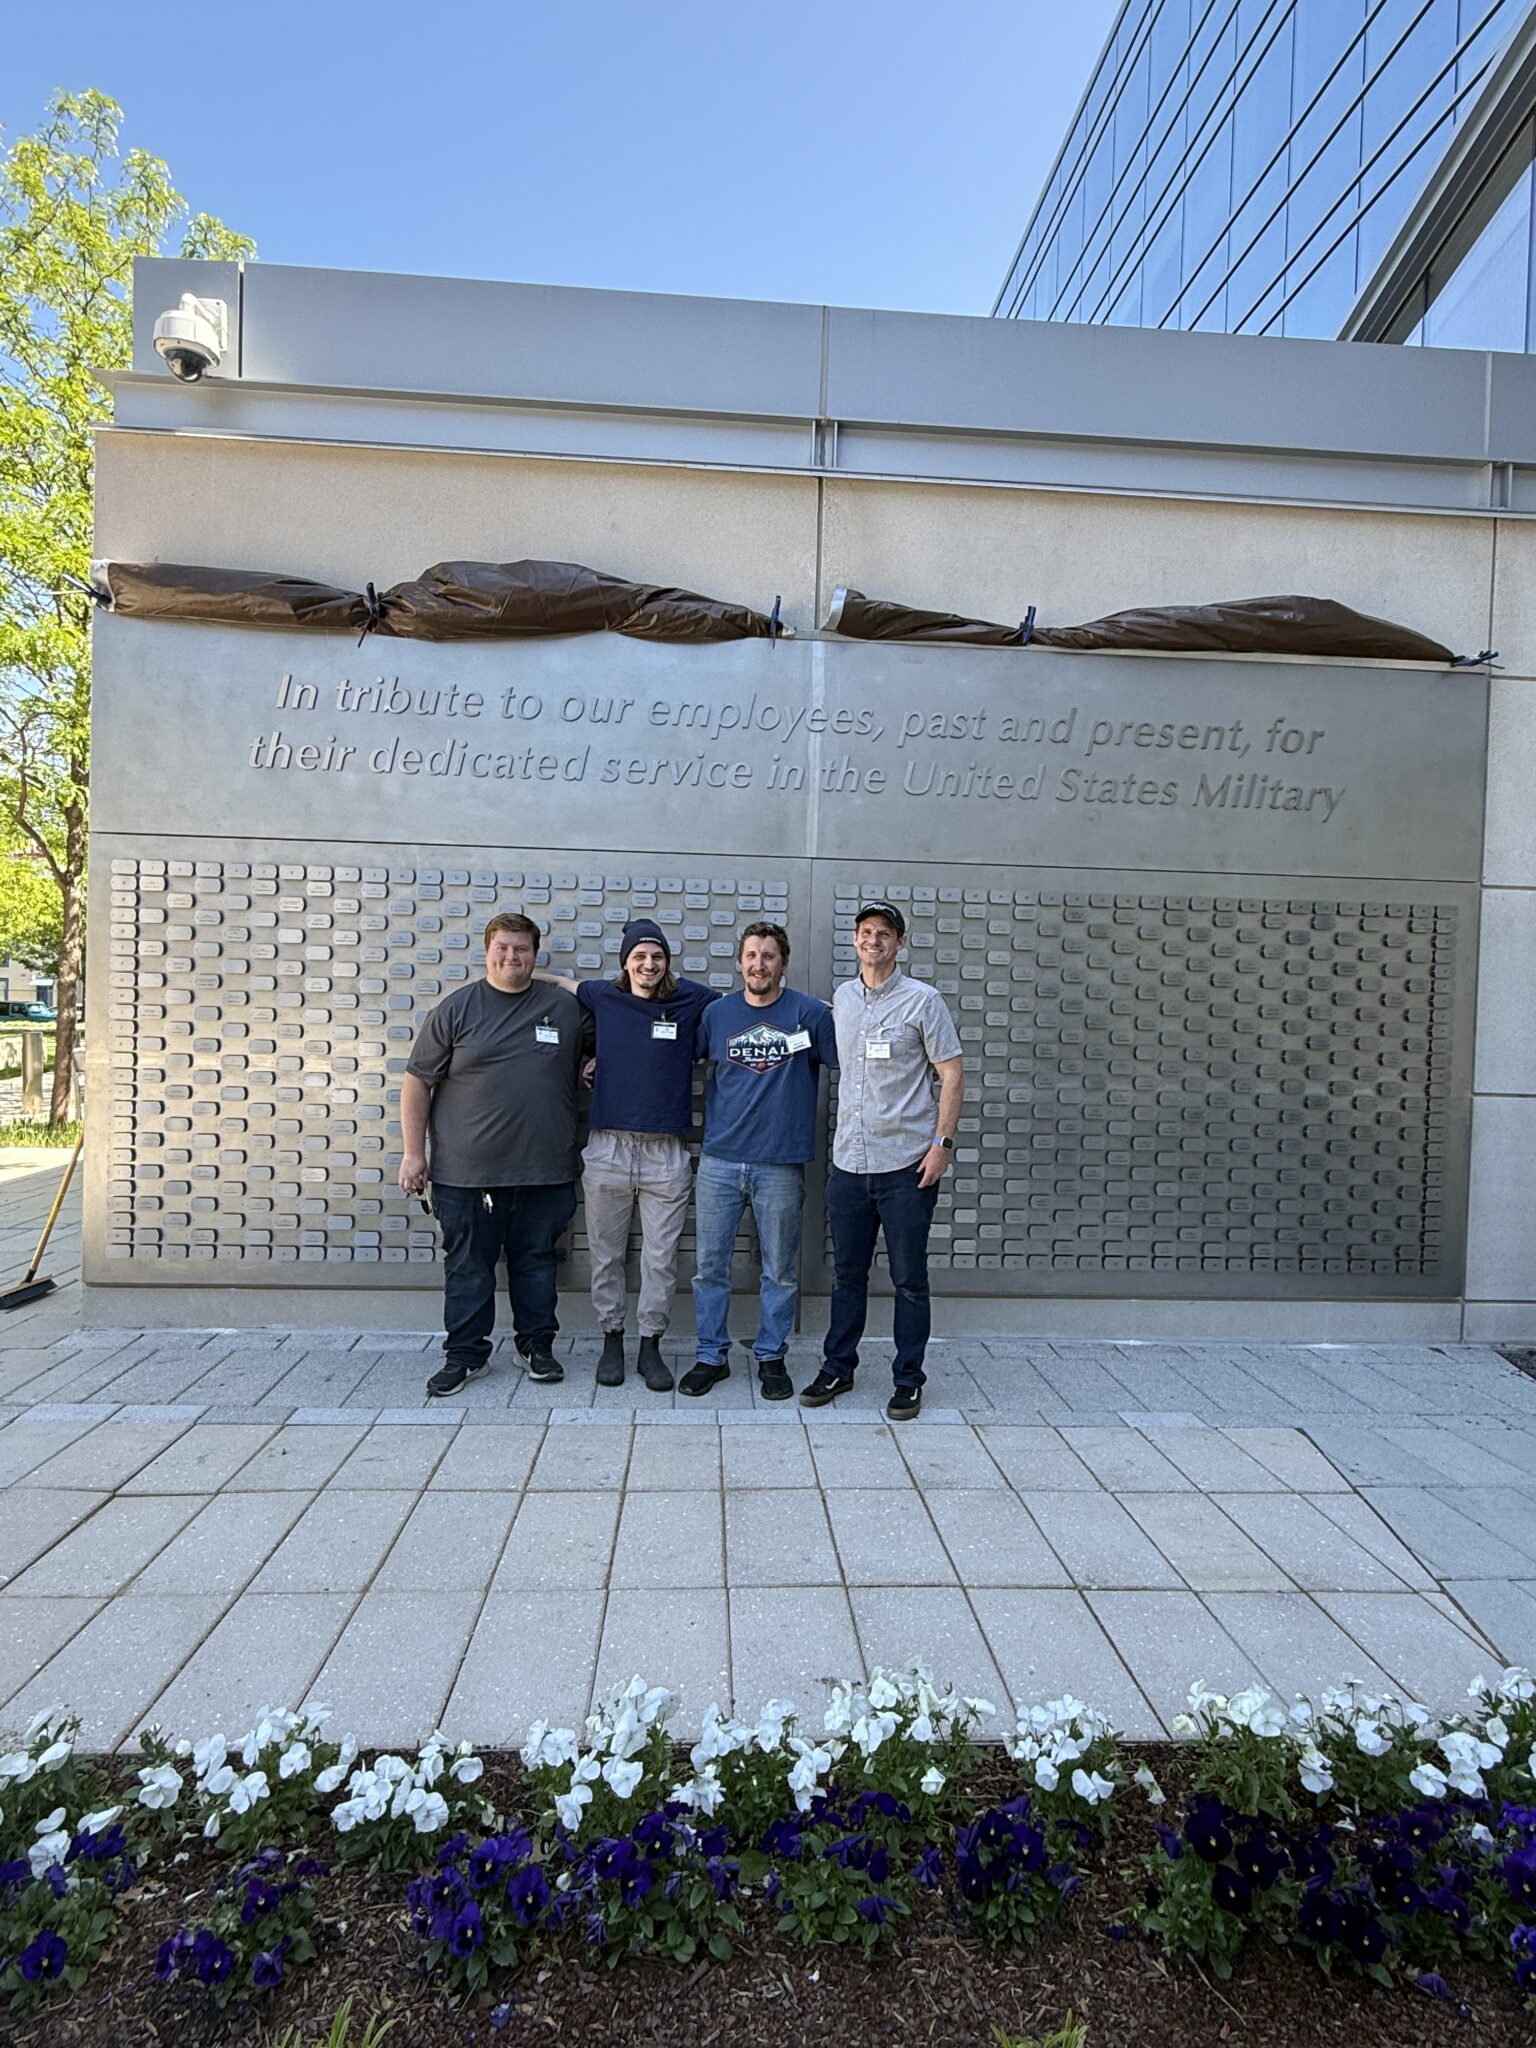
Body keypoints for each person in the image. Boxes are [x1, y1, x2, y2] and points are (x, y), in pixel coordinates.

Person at [399, 912, 591, 1399]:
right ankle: (464, 1355)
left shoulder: (564, 1010)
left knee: (536, 1261)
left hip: (545, 1169)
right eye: (503, 948)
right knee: (468, 1265)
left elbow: (621, 1030)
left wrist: (597, 1058)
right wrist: (411, 1153)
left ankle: (536, 1347)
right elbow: (417, 1081)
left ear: (535, 954)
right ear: (488, 951)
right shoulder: (458, 1008)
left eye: (522, 949)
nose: (512, 956)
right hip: (466, 1173)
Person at [536, 918, 718, 1391]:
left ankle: (650, 1345)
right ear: (625, 962)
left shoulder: (691, 999)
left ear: (666, 962)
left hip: (666, 1152)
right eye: (639, 956)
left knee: (659, 1258)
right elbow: (562, 982)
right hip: (608, 1148)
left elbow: (747, 1005)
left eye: (656, 956)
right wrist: (522, 972)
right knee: (607, 1254)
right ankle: (612, 1339)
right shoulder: (604, 996)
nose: (648, 964)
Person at [799, 901, 964, 1423]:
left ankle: (908, 1379)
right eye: (866, 932)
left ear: (900, 943)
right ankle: (838, 1367)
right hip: (849, 1164)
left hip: (904, 1166)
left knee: (909, 1279)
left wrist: (942, 1145)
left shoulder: (924, 1001)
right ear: (855, 941)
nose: (874, 940)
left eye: (885, 933)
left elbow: (952, 1075)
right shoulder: (843, 999)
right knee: (847, 1275)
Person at [683, 923, 837, 1402]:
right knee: (710, 1266)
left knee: (780, 1269)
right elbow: (672, 1063)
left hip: (781, 1165)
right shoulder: (716, 1014)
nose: (759, 964)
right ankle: (711, 1355)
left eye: (769, 956)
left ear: (782, 963)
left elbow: (852, 1071)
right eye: (751, 955)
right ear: (740, 961)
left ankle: (771, 1355)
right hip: (720, 1162)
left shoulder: (810, 1014)